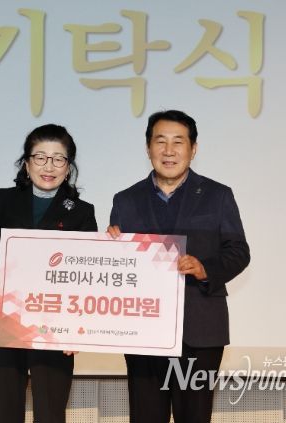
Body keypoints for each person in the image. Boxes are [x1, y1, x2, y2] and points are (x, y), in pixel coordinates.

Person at [107, 110, 250, 423]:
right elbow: (119, 267)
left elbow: (239, 252)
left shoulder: (218, 195)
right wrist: (111, 246)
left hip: (200, 331)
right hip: (143, 332)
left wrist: (204, 268)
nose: (168, 151)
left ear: (193, 149)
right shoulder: (126, 200)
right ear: (148, 148)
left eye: (178, 142)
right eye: (160, 141)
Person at [0, 124, 98, 423]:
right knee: (6, 412)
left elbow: (88, 276)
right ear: (26, 163)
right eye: (40, 157)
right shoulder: (3, 200)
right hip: (5, 319)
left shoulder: (81, 211)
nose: (48, 166)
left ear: (69, 167)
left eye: (58, 159)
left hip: (56, 326)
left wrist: (79, 328)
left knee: (50, 414)